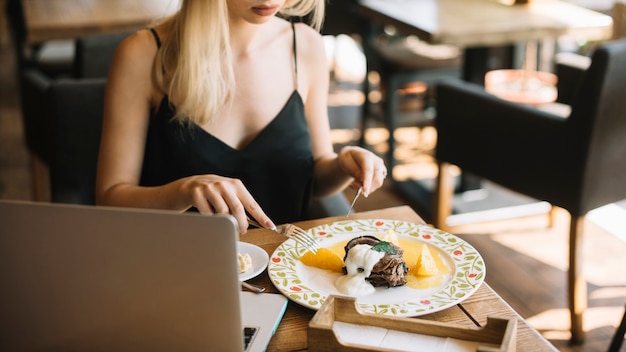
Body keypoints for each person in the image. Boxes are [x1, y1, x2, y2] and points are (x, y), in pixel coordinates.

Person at [95, 0, 387, 234]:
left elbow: (314, 179)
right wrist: (183, 191)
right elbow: (110, 201)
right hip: (176, 269)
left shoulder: (306, 47)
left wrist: (343, 165)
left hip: (287, 272)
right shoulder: (143, 55)